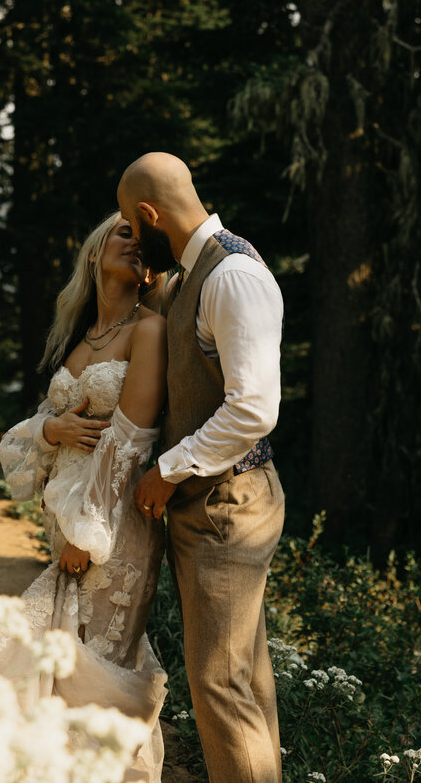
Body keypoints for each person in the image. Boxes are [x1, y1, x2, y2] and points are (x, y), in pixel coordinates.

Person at [0, 213, 169, 782]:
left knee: (96, 666)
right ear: (95, 249)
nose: (134, 245)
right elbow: (49, 425)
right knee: (57, 663)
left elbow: (132, 439)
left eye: (145, 242)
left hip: (114, 523)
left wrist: (87, 530)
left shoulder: (148, 330)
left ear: (152, 271)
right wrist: (50, 431)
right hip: (71, 519)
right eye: (124, 232)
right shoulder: (79, 337)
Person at [119, 152, 285, 783]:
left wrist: (168, 469)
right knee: (245, 682)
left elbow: (253, 408)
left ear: (148, 214)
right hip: (215, 501)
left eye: (133, 230)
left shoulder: (233, 275)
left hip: (228, 505)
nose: (134, 242)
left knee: (219, 685)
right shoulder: (191, 275)